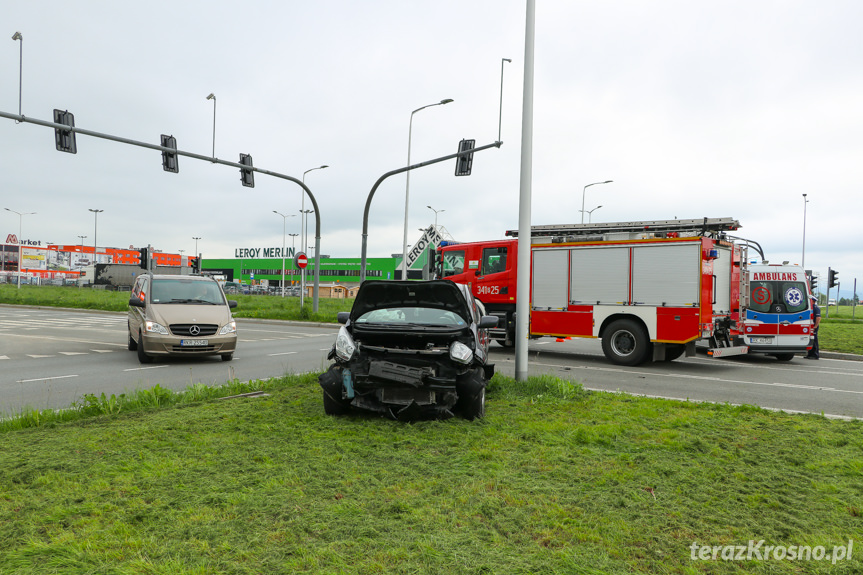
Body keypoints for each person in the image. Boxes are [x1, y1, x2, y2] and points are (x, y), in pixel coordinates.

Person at [805, 294, 821, 359]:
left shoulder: (816, 308)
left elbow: (818, 318)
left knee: (814, 340)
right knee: (811, 340)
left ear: (812, 301)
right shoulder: (811, 308)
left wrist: (815, 326)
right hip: (811, 326)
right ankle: (810, 354)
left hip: (814, 326)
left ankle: (815, 354)